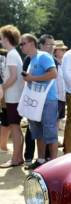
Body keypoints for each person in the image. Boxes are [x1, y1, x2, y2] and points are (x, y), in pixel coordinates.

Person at [19, 33, 58, 169]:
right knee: (38, 133)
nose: (21, 46)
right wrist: (29, 78)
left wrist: (31, 78)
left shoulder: (44, 56)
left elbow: (53, 74)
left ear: (31, 43)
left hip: (48, 101)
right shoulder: (32, 59)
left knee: (50, 133)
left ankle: (54, 164)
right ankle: (41, 161)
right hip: (36, 102)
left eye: (22, 43)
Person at [0, 25, 25, 168]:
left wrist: (2, 87)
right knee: (17, 128)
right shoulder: (14, 54)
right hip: (15, 97)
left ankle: (15, 159)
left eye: (2, 38)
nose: (1, 41)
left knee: (15, 128)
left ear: (7, 38)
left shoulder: (11, 54)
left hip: (13, 97)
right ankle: (18, 157)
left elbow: (13, 77)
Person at [53, 41, 67, 130]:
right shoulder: (52, 62)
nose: (64, 51)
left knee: (58, 119)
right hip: (55, 97)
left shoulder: (64, 63)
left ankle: (55, 140)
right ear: (55, 51)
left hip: (62, 97)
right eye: (61, 49)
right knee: (53, 119)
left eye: (64, 49)